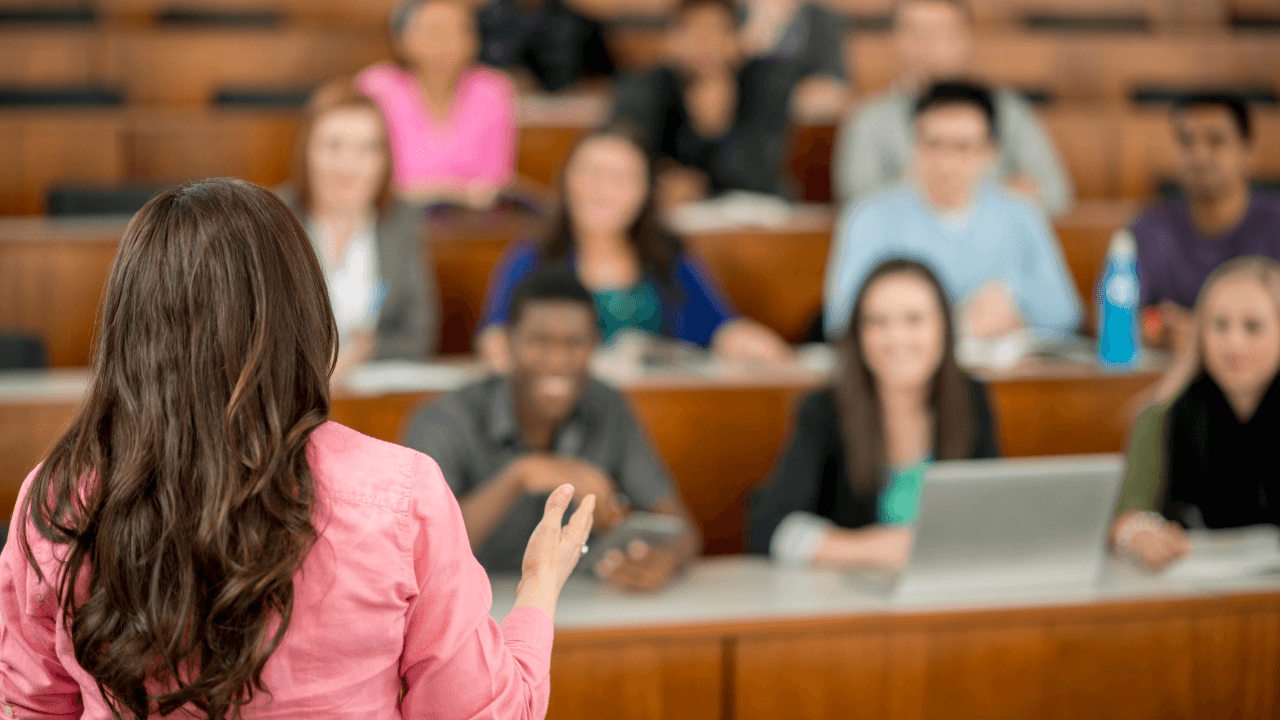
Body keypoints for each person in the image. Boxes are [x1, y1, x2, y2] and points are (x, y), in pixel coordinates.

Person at [0, 179, 593, 718]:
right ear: (304, 314)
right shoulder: (402, 496)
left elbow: (29, 707)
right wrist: (540, 584)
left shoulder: (56, 499)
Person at [404, 270, 702, 591]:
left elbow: (682, 531)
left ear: (594, 347)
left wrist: (664, 560)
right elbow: (419, 550)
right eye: (539, 341)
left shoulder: (608, 407)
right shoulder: (444, 419)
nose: (558, 360)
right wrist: (521, 475)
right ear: (509, 344)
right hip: (470, 610)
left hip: (578, 607)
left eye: (575, 342)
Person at [476, 122, 793, 368]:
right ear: (567, 180)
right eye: (593, 174)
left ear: (645, 193)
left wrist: (755, 345)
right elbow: (496, 340)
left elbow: (720, 330)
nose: (603, 191)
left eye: (622, 179)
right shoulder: (531, 259)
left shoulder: (669, 261)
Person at [748, 259, 999, 568]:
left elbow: (995, 514)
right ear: (858, 335)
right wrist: (875, 548)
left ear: (945, 329)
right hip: (850, 597)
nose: (896, 338)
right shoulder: (825, 409)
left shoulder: (971, 397)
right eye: (877, 322)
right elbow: (768, 529)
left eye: (914, 320)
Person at [824, 81, 1081, 341]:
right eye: (933, 144)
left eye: (962, 146)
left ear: (990, 154)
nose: (946, 163)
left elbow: (1065, 314)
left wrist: (1014, 302)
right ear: (913, 146)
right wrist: (938, 321)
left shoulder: (1021, 214)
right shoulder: (868, 216)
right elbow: (840, 317)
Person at [1111, 256, 1280, 571]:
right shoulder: (1163, 413)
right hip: (1189, 586)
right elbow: (1129, 513)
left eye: (1253, 327)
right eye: (1219, 325)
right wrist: (1141, 535)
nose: (1234, 343)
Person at [832, 0, 1072, 215]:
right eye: (918, 33)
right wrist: (996, 189)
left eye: (943, 33)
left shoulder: (1010, 111)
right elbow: (858, 205)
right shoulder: (867, 119)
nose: (931, 46)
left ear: (966, 38)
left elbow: (1055, 196)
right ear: (897, 38)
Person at [281, 79, 439, 384]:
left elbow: (419, 333)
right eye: (333, 145)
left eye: (367, 149)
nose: (348, 165)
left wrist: (357, 357)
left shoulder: (402, 220)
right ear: (306, 151)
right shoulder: (273, 216)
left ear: (384, 160)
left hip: (370, 391)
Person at [1133, 94, 1280, 351]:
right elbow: (1114, 315)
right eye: (1186, 141)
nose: (1199, 154)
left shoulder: (1275, 223)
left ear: (1248, 151)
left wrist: (1204, 333)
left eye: (1216, 141)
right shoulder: (1150, 227)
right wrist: (1156, 330)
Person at [612, 0, 796, 204]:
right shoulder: (648, 84)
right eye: (693, 31)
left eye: (715, 32)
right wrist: (661, 182)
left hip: (751, 209)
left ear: (736, 38)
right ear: (673, 39)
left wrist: (716, 129)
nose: (705, 45)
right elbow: (627, 148)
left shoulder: (767, 81)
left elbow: (760, 170)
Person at [358, 0, 517, 209]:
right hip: (391, 219)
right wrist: (455, 191)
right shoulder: (376, 87)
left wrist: (423, 191)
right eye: (434, 30)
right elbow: (370, 180)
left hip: (469, 224)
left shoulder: (493, 91)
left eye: (460, 29)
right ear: (401, 39)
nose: (447, 40)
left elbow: (493, 186)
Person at [737, 0, 849, 118]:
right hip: (744, 113)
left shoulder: (822, 21)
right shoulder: (735, 14)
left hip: (795, 119)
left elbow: (836, 82)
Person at [475, 0, 614, 93]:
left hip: (564, 113)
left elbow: (603, 78)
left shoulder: (577, 22)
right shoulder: (486, 19)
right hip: (497, 105)